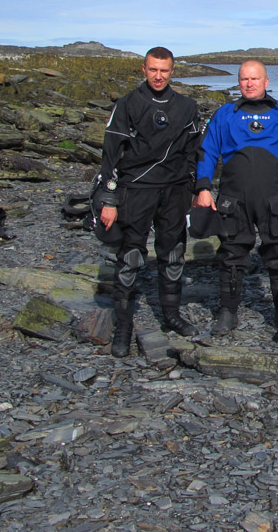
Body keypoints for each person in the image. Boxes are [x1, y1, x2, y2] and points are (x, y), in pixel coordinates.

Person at [192, 60, 278, 339]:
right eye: (244, 79)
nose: (249, 83)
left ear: (266, 81)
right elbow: (206, 151)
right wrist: (203, 187)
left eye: (255, 79)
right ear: (239, 82)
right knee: (231, 253)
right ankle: (228, 311)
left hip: (275, 198)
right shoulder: (225, 114)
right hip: (234, 197)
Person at [98, 47, 203, 358]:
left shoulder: (186, 106)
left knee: (173, 254)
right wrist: (109, 199)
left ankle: (171, 316)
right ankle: (123, 328)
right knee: (130, 257)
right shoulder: (128, 104)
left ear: (172, 71)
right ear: (143, 69)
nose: (159, 76)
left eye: (164, 70)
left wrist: (197, 189)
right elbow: (110, 155)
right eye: (153, 70)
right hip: (135, 189)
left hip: (174, 191)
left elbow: (195, 152)